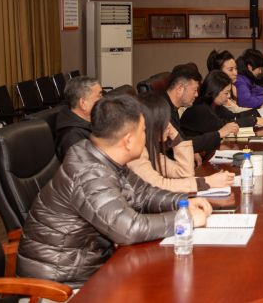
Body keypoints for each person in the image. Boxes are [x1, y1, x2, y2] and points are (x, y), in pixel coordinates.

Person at [17, 95, 211, 287]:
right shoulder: (89, 174)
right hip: (60, 286)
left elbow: (145, 194)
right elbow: (128, 230)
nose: (146, 136)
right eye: (143, 131)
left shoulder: (100, 154)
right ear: (128, 141)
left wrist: (182, 202)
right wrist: (184, 220)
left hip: (92, 269)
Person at [128, 93, 234, 192]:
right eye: (165, 120)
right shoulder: (136, 154)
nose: (169, 125)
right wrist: (207, 182)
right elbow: (159, 186)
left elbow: (185, 173)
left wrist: (176, 136)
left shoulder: (151, 149)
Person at [181, 71, 247, 152]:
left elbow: (232, 117)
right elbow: (223, 126)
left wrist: (254, 118)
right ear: (214, 91)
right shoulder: (200, 109)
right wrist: (254, 120)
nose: (229, 96)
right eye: (226, 93)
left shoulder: (214, 105)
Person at [206, 49, 263, 127]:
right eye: (230, 70)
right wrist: (256, 115)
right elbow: (232, 117)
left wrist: (259, 110)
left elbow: (236, 112)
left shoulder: (232, 87)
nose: (236, 73)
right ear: (218, 72)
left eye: (236, 68)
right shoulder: (215, 95)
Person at [54, 76, 102, 161]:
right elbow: (83, 166)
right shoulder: (71, 136)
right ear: (83, 103)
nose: (103, 100)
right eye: (99, 96)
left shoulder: (93, 120)